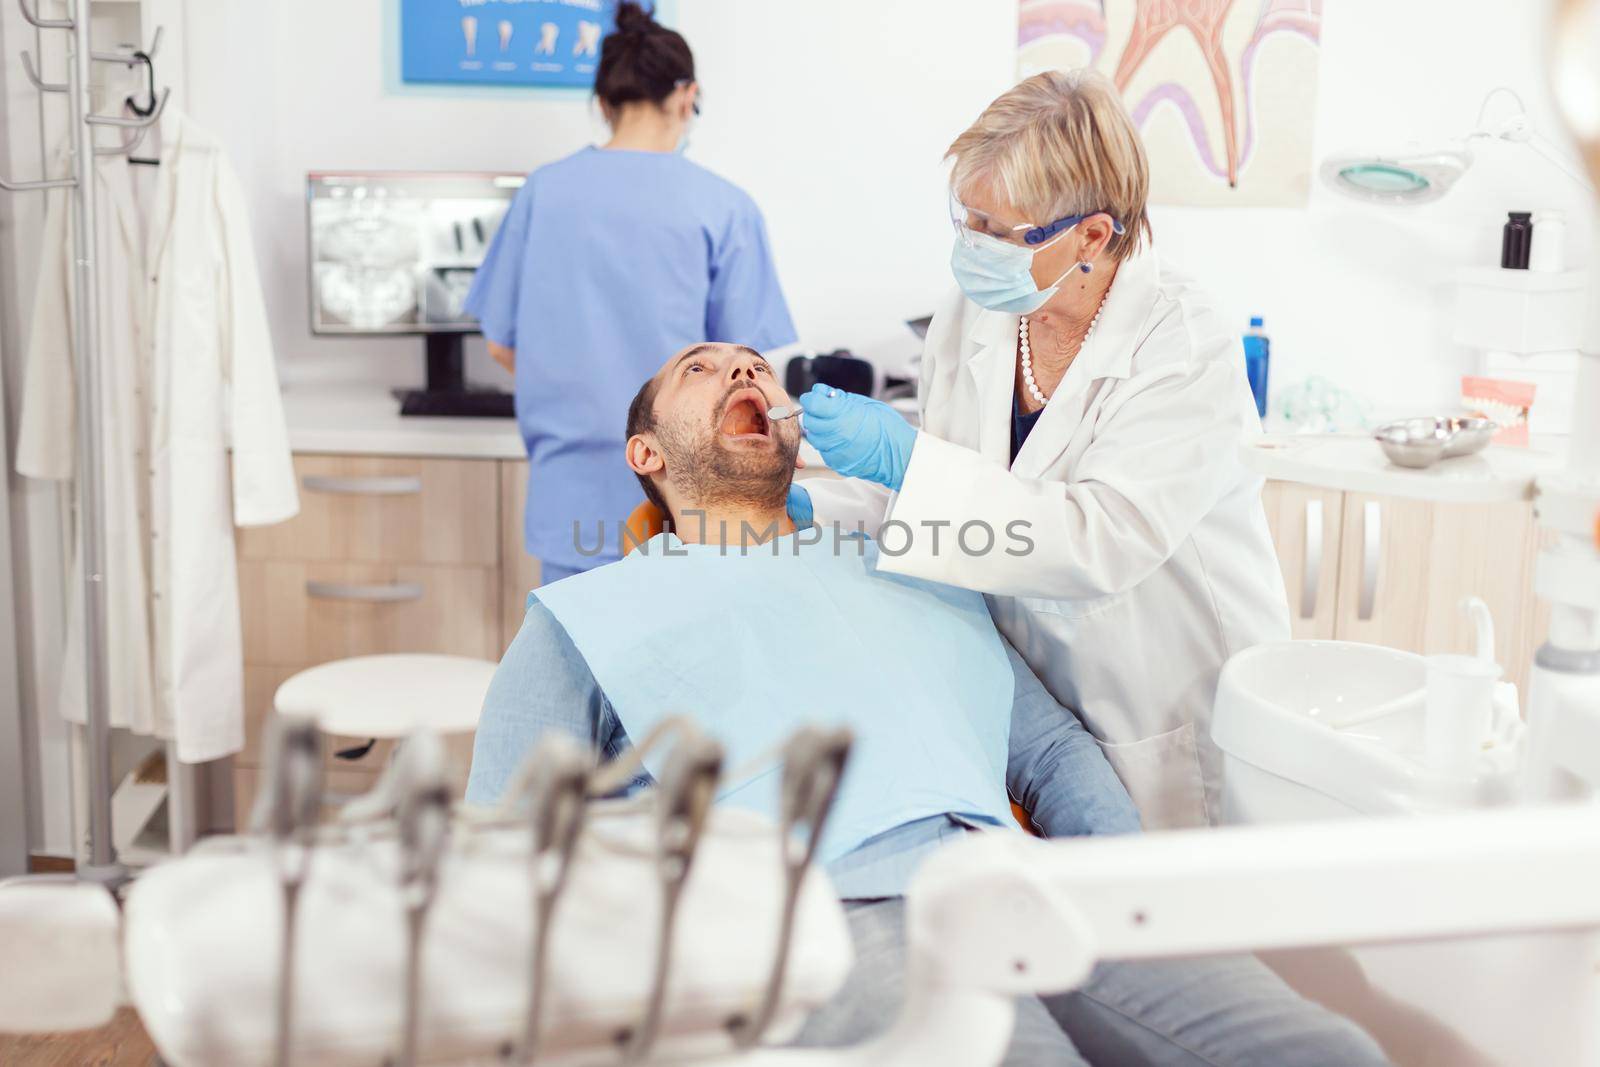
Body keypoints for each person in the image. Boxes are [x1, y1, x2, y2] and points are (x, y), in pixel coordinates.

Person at [468, 342, 1389, 1066]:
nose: (741, 367)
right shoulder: (587, 618)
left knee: (1327, 1051)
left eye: (751, 360)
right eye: (698, 369)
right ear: (647, 452)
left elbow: (1052, 752)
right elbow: (498, 854)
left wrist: (1123, 885)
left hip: (1015, 881)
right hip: (824, 916)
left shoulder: (909, 563)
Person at [790, 70, 1290, 830]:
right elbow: (950, 495)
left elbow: (1100, 540)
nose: (975, 248)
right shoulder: (980, 309)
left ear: (1093, 234)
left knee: (1174, 924)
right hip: (1040, 710)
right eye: (969, 220)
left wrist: (904, 461)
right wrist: (820, 503)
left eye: (1002, 231)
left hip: (1166, 710)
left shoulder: (1182, 345)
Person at [464, 1, 795, 584]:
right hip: (686, 498)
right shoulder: (723, 207)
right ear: (687, 96)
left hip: (570, 495)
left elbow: (501, 345)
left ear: (603, 104)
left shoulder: (544, 192)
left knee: (569, 665)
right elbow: (746, 374)